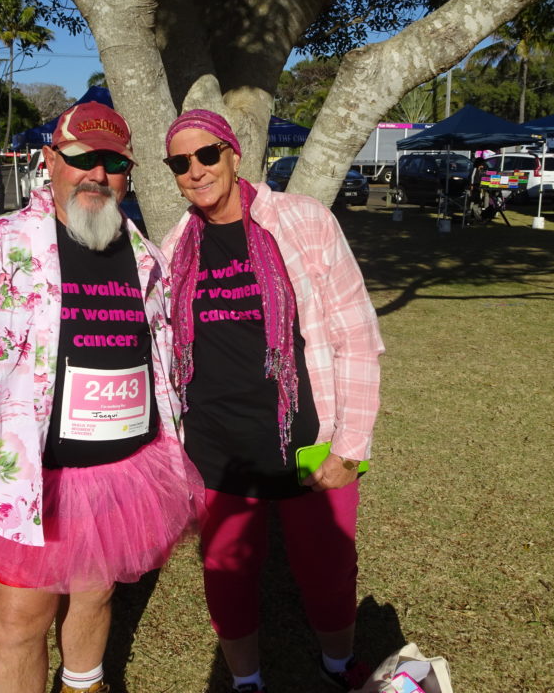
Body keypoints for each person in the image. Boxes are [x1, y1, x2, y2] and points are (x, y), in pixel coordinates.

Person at [0, 102, 204, 693]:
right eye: (82, 158)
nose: (97, 174)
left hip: (127, 471)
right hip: (36, 476)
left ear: (128, 174)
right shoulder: (0, 243)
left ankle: (85, 685)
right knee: (20, 620)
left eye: (113, 163)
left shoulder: (144, 257)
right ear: (50, 162)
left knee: (96, 591)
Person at [160, 110, 384, 693]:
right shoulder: (176, 244)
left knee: (328, 569)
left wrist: (350, 447)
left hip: (311, 438)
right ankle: (247, 682)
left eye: (207, 154)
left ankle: (338, 667)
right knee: (227, 572)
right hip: (216, 446)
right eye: (180, 163)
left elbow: (356, 337)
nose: (196, 171)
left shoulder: (303, 221)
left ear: (234, 155)